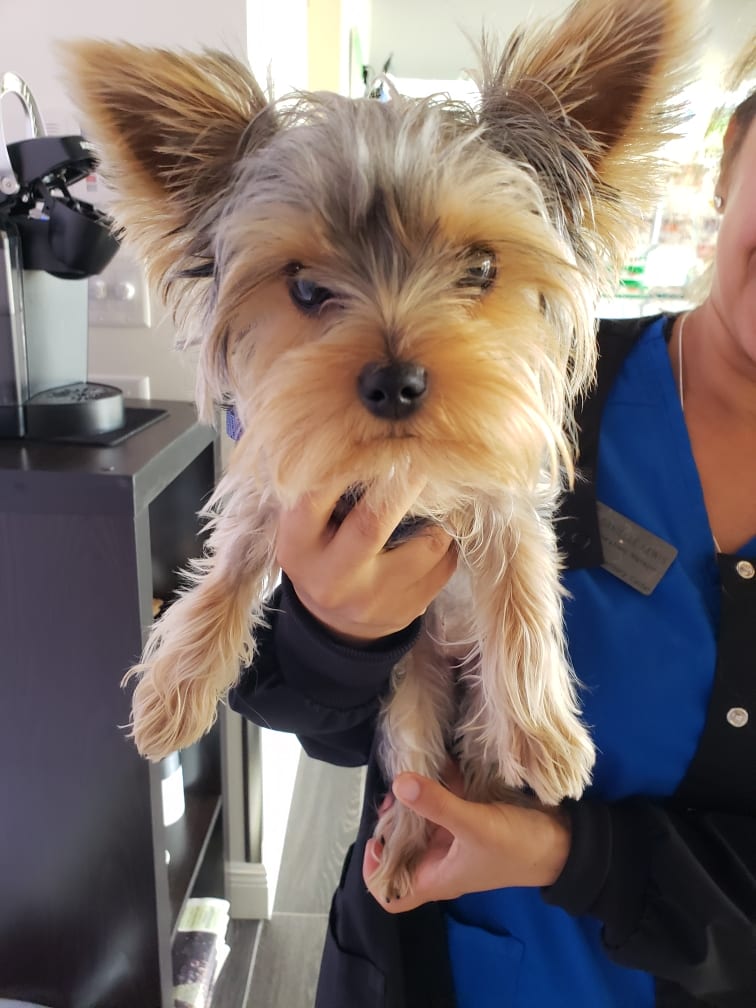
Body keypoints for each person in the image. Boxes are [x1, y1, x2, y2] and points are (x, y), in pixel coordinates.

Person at [227, 80, 756, 1008]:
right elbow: (325, 722)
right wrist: (338, 631)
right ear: (731, 165)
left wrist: (571, 855)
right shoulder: (498, 378)